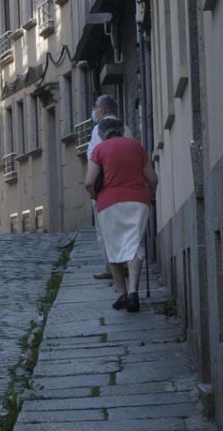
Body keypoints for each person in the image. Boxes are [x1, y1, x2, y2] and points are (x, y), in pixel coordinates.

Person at [85, 118, 158, 312]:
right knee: (134, 244)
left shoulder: (99, 151)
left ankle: (122, 294)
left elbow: (89, 182)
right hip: (138, 201)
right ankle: (134, 292)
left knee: (113, 247)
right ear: (121, 131)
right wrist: (151, 195)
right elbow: (152, 178)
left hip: (109, 203)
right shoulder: (137, 148)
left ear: (101, 134)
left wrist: (95, 195)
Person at [87, 95, 133, 280]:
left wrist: (92, 189)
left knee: (105, 230)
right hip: (127, 185)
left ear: (103, 110)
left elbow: (95, 158)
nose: (94, 110)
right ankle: (127, 264)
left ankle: (112, 268)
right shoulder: (126, 129)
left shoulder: (99, 129)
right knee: (125, 228)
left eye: (96, 106)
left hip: (105, 187)